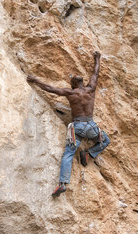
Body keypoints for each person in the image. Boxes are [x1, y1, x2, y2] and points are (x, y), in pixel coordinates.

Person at [26, 51, 110, 197]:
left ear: (72, 85)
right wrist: (97, 58)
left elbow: (50, 89)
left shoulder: (70, 93)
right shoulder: (91, 89)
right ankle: (88, 154)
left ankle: (63, 183)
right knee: (105, 140)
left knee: (69, 154)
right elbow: (95, 74)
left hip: (77, 128)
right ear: (83, 82)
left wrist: (35, 80)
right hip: (91, 127)